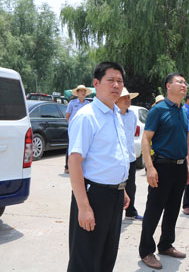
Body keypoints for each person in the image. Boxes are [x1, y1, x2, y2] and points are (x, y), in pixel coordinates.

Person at [67, 62, 130, 272]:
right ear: (96, 83)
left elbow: (112, 157)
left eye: (119, 81)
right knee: (85, 259)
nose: (116, 85)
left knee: (106, 255)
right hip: (93, 195)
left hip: (115, 195)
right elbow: (74, 162)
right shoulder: (87, 116)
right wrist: (84, 207)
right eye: (110, 80)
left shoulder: (116, 115)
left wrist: (123, 188)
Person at [138, 73, 189, 270]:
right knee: (154, 209)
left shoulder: (185, 111)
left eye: (185, 82)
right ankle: (146, 251)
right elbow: (146, 139)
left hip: (179, 167)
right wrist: (150, 167)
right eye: (179, 82)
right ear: (168, 86)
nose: (183, 85)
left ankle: (166, 244)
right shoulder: (158, 110)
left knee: (173, 209)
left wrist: (186, 165)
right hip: (161, 166)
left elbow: (183, 141)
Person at [116, 87, 143, 221]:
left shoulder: (132, 115)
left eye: (129, 98)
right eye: (124, 97)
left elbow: (132, 133)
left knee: (131, 186)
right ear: (117, 100)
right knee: (116, 187)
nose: (128, 100)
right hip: (116, 159)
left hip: (130, 157)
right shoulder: (113, 114)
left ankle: (131, 211)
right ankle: (114, 214)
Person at [64, 84, 91, 174]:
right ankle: (67, 167)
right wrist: (71, 125)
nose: (83, 93)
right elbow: (68, 115)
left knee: (83, 146)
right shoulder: (72, 103)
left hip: (84, 128)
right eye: (81, 91)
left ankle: (81, 165)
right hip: (73, 129)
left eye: (84, 91)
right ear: (77, 93)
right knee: (71, 147)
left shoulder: (88, 104)